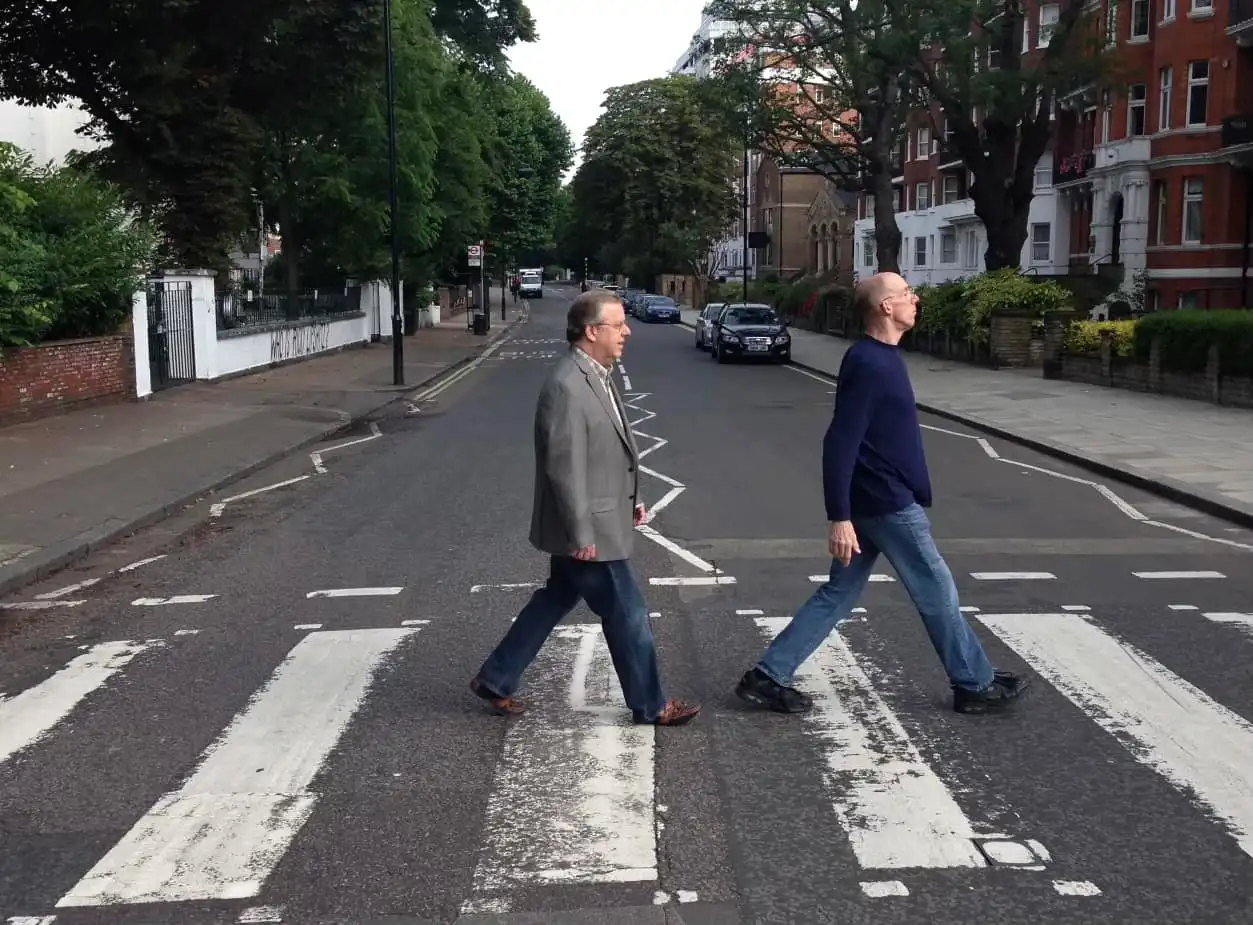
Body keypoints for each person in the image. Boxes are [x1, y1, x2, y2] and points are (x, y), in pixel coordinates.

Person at [734, 271, 1031, 716]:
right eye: (907, 293)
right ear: (886, 307)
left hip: (871, 502)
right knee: (937, 589)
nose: (916, 299)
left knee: (839, 593)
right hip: (887, 503)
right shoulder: (870, 363)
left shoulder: (880, 358)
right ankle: (974, 684)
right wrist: (839, 515)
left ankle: (767, 676)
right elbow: (840, 439)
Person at [469, 289, 701, 727]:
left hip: (599, 515)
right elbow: (564, 466)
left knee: (556, 597)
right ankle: (651, 704)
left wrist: (630, 499)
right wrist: (581, 534)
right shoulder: (568, 385)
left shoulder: (596, 373)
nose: (627, 332)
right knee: (628, 613)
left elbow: (606, 451)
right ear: (592, 331)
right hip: (589, 529)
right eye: (618, 324)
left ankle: (497, 677)